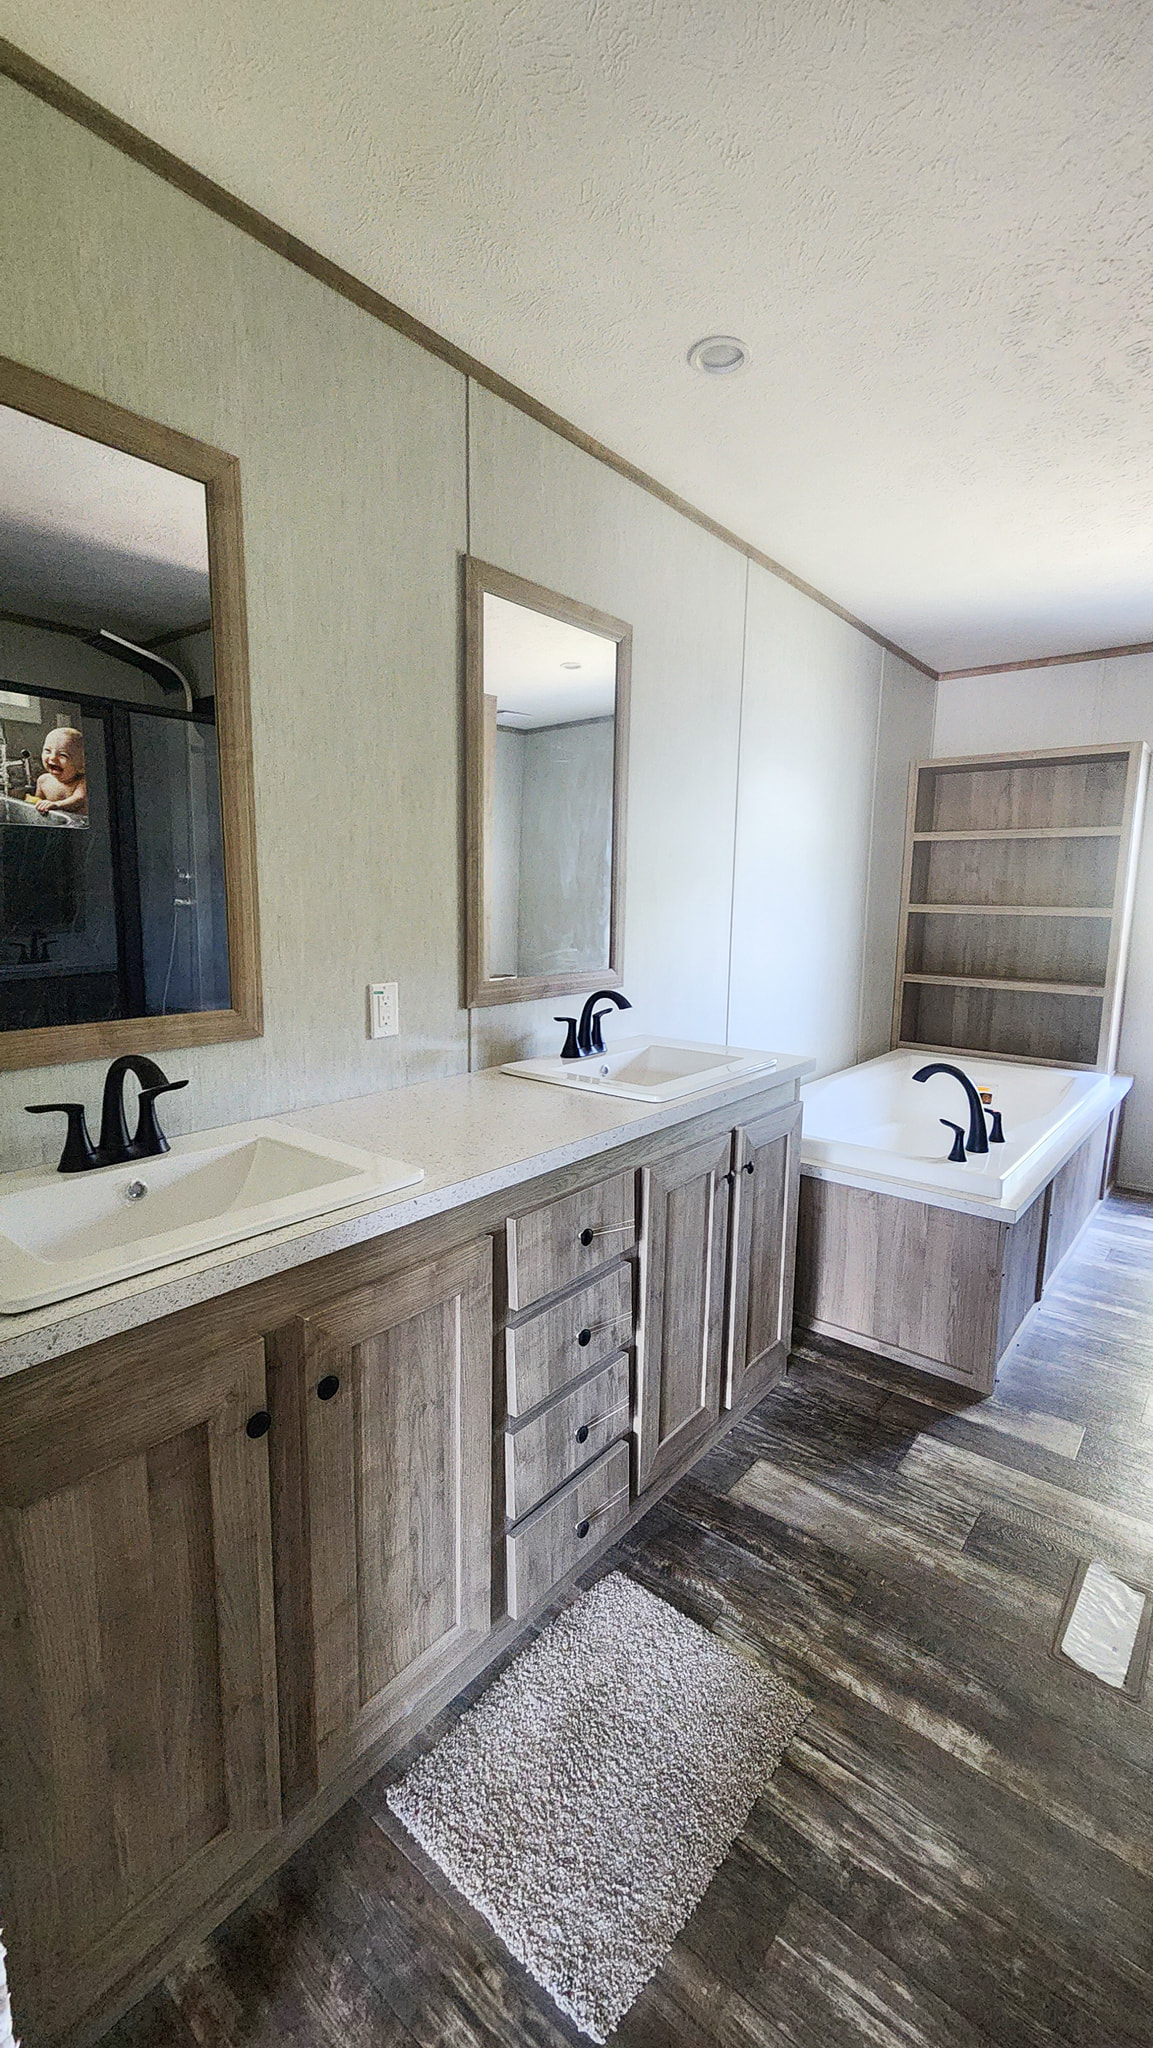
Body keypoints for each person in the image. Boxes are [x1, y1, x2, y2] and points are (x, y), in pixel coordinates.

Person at [31, 726, 87, 819]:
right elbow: (38, 801)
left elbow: (78, 800)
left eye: (62, 755)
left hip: (78, 826)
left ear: (81, 764)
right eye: (47, 751)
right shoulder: (43, 780)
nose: (52, 757)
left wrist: (56, 805)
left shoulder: (82, 782)